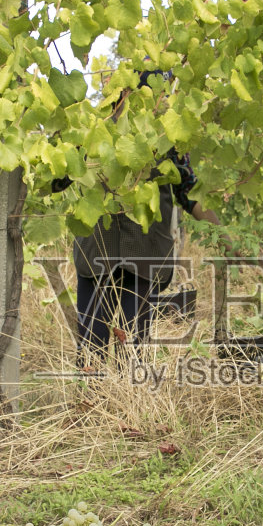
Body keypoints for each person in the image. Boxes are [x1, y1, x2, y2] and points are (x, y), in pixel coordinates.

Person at [66, 71, 219, 367]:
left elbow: (188, 191)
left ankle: (125, 396)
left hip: (143, 254)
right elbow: (62, 175)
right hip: (99, 251)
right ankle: (92, 394)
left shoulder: (167, 138)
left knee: (132, 347)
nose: (161, 103)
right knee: (92, 349)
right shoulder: (92, 130)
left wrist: (222, 234)